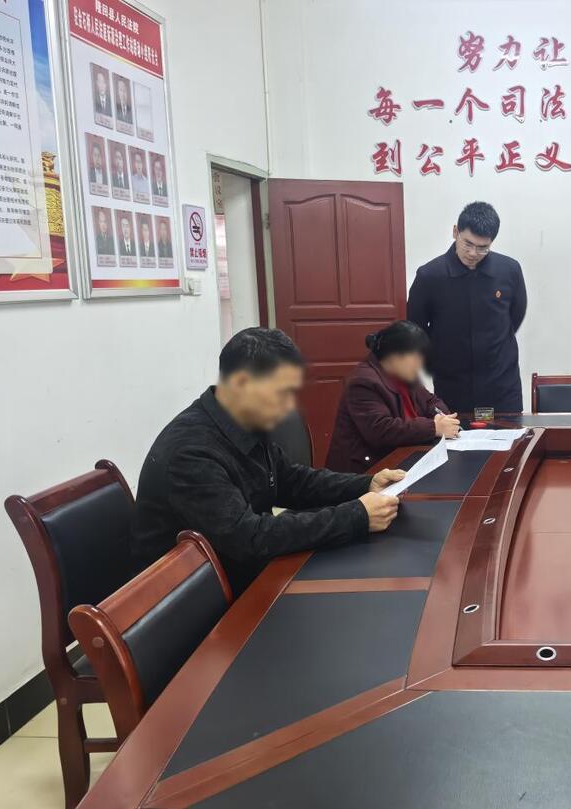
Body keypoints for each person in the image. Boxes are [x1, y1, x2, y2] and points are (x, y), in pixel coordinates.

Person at [133, 328, 405, 594]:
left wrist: (366, 484)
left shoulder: (242, 422)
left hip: (245, 574)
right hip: (198, 604)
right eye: (281, 393)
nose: (289, 407)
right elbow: (249, 538)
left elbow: (292, 480)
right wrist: (356, 516)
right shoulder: (190, 453)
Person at [407, 201, 527, 413]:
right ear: (455, 232)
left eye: (482, 248)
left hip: (501, 385)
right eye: (468, 244)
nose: (473, 253)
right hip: (453, 385)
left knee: (509, 434)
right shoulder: (430, 276)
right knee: (456, 434)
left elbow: (515, 315)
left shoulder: (509, 270)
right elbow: (415, 326)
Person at [326, 321, 461, 473]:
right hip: (365, 472)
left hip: (401, 459)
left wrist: (440, 417)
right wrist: (433, 428)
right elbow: (381, 430)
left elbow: (431, 401)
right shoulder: (363, 382)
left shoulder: (404, 374)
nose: (420, 365)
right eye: (416, 358)